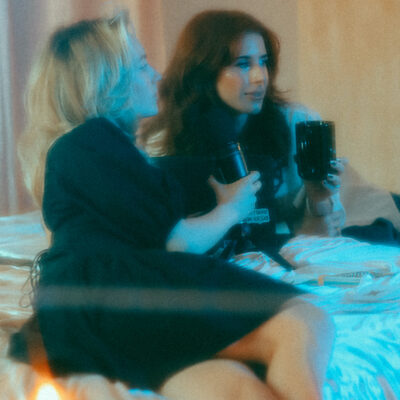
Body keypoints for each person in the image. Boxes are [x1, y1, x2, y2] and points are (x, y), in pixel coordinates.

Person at [9, 11, 334, 400]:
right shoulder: (93, 139)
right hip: (119, 300)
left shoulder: (75, 151)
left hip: (85, 321)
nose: (157, 75)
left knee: (233, 384)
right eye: (141, 65)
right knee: (305, 320)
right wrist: (231, 209)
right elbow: (176, 242)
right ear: (107, 83)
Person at [139, 9, 347, 257]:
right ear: (205, 71)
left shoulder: (297, 122)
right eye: (243, 64)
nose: (260, 77)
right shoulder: (163, 138)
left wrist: (318, 198)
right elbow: (166, 243)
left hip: (282, 259)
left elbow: (323, 239)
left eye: (264, 62)